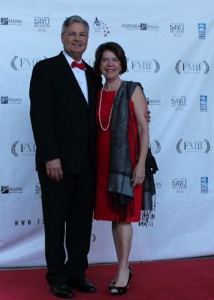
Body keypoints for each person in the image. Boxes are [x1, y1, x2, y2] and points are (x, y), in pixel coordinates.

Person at [29, 15, 102, 298]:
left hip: (88, 163)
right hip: (56, 163)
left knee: (82, 222)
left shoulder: (95, 74)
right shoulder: (45, 69)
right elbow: (40, 117)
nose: (77, 39)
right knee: (56, 221)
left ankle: (77, 273)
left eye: (82, 35)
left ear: (87, 39)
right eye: (72, 34)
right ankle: (57, 277)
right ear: (62, 37)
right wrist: (50, 157)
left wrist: (139, 111)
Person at [93, 42, 154, 296]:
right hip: (102, 165)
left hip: (127, 165)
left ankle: (122, 270)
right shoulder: (95, 93)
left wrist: (140, 165)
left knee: (124, 218)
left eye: (114, 59)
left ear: (121, 63)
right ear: (99, 65)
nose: (110, 64)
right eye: (105, 59)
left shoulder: (132, 89)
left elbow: (143, 128)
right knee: (115, 219)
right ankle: (123, 268)